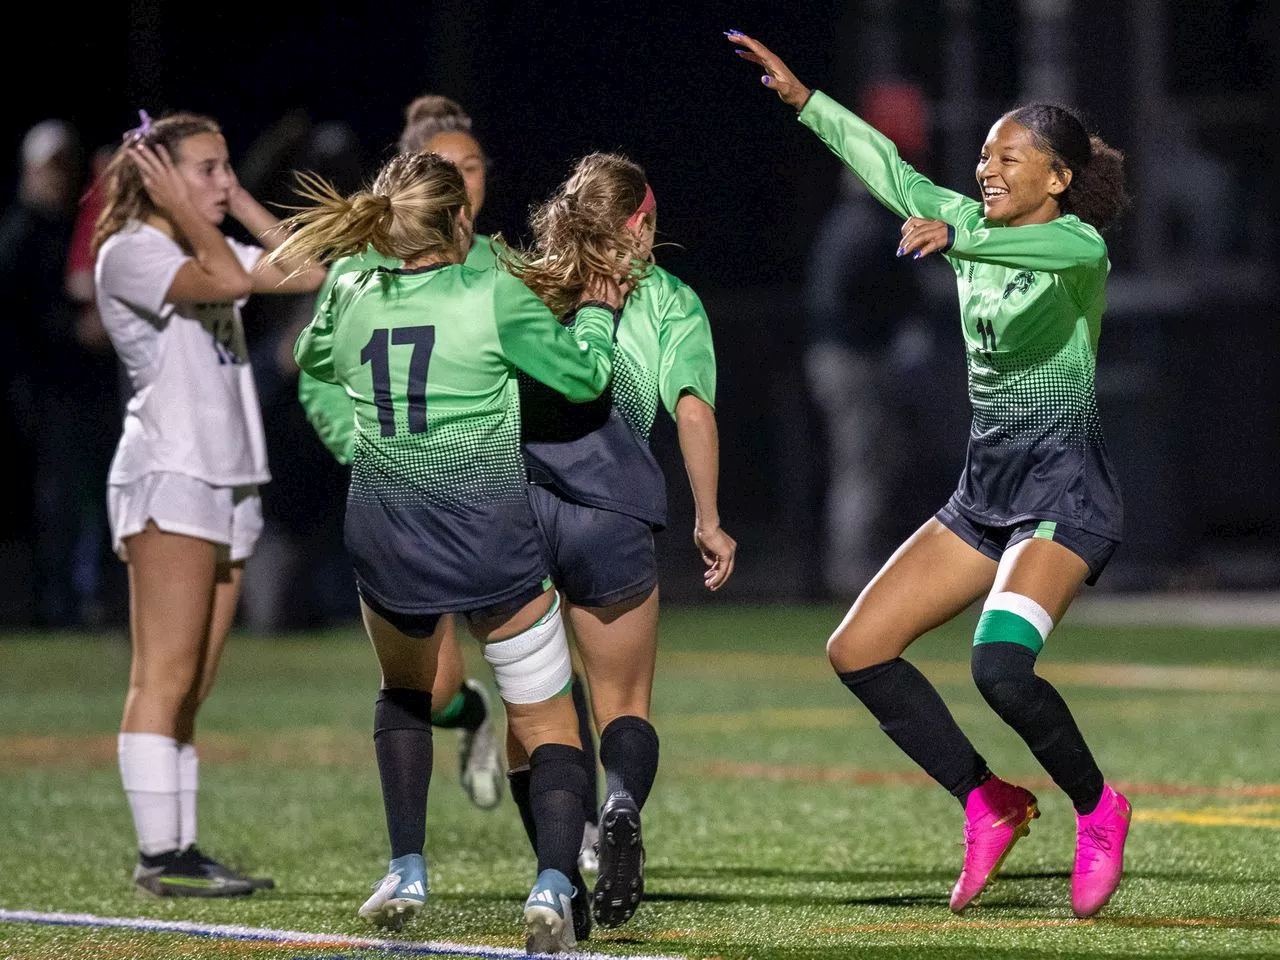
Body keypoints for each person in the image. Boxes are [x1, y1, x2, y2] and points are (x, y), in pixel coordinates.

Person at [727, 31, 1133, 919]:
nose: (988, 166)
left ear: (1057, 179)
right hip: (984, 496)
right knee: (857, 649)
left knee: (1000, 670)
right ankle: (989, 801)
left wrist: (957, 234)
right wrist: (805, 100)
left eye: (1009, 156)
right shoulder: (969, 224)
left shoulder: (1076, 248)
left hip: (1063, 498)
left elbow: (1031, 252)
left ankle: (1100, 809)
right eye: (984, 153)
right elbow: (879, 160)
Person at [269, 149, 627, 951]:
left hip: (385, 525)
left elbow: (309, 358)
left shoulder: (353, 286)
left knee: (404, 693)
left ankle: (406, 864)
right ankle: (553, 882)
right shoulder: (491, 290)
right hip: (484, 527)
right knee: (548, 718)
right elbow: (580, 378)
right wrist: (598, 315)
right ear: (460, 220)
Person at [296, 95, 601, 816]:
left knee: (544, 675)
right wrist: (375, 450)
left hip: (496, 491)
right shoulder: (362, 275)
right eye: (453, 168)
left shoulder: (498, 265)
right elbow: (318, 374)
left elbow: (557, 361)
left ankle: (575, 830)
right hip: (404, 504)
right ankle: (472, 728)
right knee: (426, 693)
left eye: (475, 165)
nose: (470, 180)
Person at [92, 109, 327, 896]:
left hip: (229, 478)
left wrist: (232, 201)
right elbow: (229, 280)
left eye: (229, 167)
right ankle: (159, 854)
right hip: (172, 474)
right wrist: (195, 211)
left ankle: (180, 849)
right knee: (161, 674)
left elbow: (311, 271)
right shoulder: (131, 250)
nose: (226, 182)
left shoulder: (201, 236)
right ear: (158, 176)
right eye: (208, 168)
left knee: (194, 682)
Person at [500, 152, 735, 933]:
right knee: (623, 706)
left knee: (531, 714)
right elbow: (693, 410)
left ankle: (557, 878)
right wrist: (708, 519)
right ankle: (622, 802)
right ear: (640, 223)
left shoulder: (523, 286)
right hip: (613, 509)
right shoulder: (666, 298)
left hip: (521, 508)